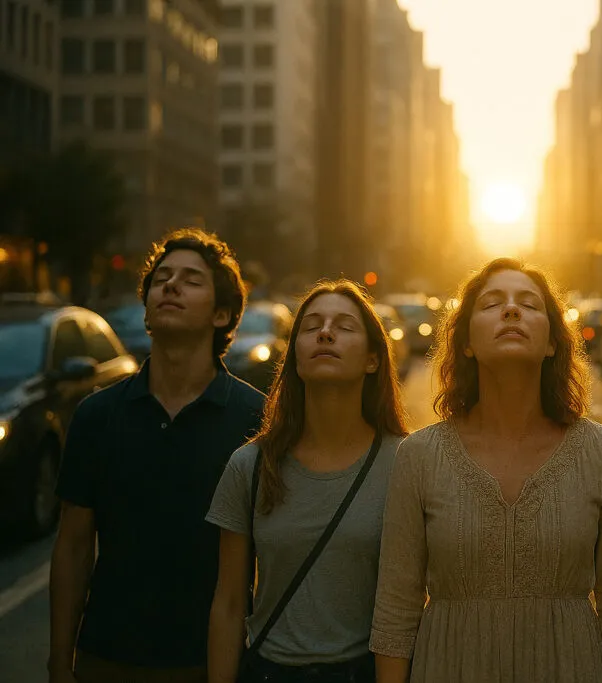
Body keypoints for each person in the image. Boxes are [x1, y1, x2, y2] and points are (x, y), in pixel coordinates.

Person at [370, 258, 602, 683]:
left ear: (552, 343)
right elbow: (396, 611)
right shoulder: (419, 456)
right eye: (491, 304)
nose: (511, 310)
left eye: (529, 304)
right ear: (466, 343)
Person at [49, 229, 265, 683]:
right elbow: (73, 545)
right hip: (106, 659)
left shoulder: (255, 418)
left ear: (222, 314)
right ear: (146, 310)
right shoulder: (97, 415)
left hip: (211, 662)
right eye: (162, 279)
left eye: (191, 279)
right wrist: (59, 663)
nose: (171, 286)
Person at [206, 279, 409, 683]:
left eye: (344, 326)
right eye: (311, 326)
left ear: (372, 360)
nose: (325, 333)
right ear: (295, 355)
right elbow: (229, 604)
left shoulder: (405, 461)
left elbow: (412, 605)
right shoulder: (250, 465)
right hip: (271, 672)